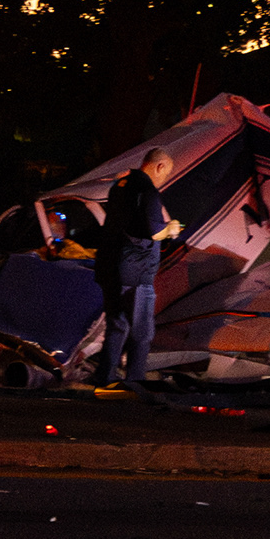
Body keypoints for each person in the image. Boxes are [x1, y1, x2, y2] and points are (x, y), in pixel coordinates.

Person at [91, 148, 182, 389]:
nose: (164, 179)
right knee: (142, 332)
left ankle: (105, 377)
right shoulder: (148, 191)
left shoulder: (120, 185)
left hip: (109, 266)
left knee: (117, 325)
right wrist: (171, 229)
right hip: (136, 272)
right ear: (159, 167)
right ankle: (135, 380)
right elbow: (154, 231)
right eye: (166, 173)